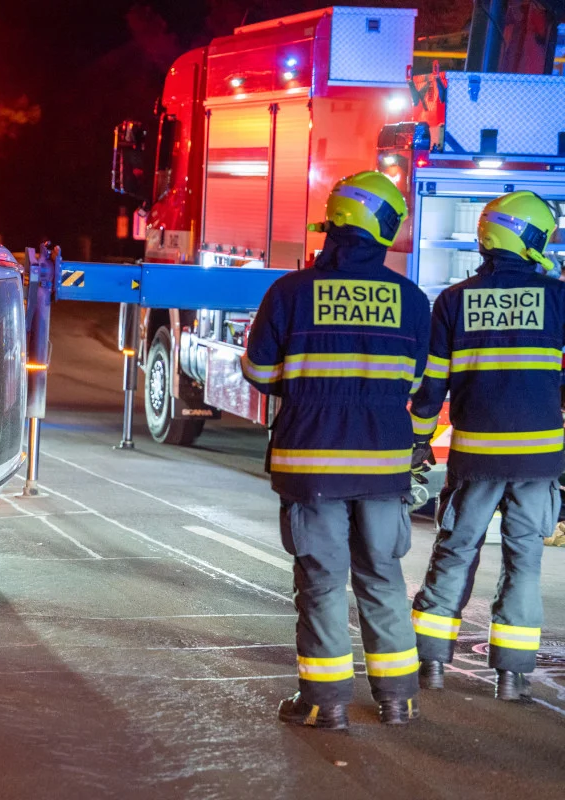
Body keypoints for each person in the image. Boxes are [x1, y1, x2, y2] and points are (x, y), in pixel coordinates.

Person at [241, 171, 431, 729]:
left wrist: (304, 385)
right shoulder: (411, 300)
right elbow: (414, 378)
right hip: (383, 466)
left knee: (321, 581)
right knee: (382, 576)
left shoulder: (291, 292)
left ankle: (325, 705)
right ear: (383, 227)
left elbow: (257, 370)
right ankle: (398, 700)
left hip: (312, 462)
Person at [409, 191, 565, 701]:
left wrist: (418, 441)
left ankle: (430, 665)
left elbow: (433, 386)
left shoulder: (454, 300)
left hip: (476, 459)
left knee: (455, 554)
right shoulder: (558, 297)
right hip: (539, 460)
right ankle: (512, 677)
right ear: (530, 239)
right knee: (525, 561)